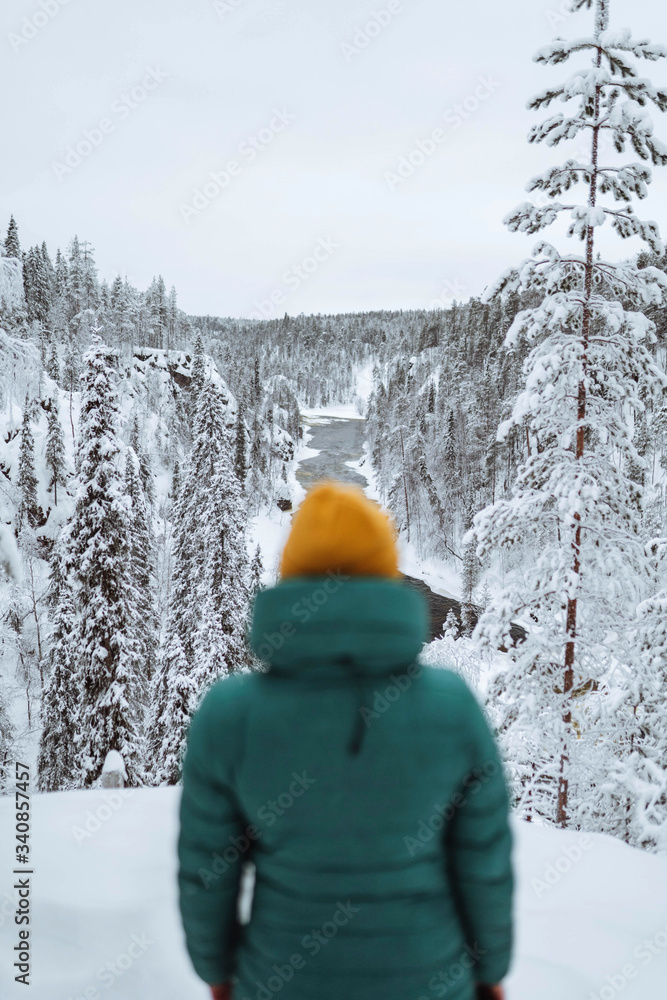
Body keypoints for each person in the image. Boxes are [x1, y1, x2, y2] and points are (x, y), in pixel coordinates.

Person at [178, 482, 513, 1000]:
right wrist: (490, 970)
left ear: (290, 577)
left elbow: (207, 869)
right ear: (387, 577)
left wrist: (217, 972)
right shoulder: (452, 707)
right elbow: (483, 862)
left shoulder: (230, 714)